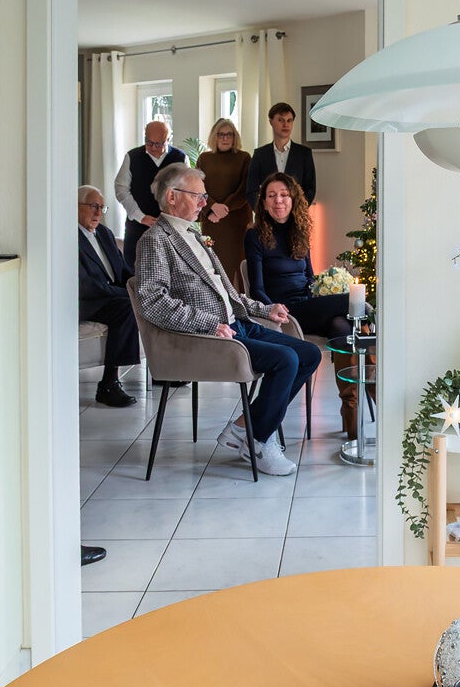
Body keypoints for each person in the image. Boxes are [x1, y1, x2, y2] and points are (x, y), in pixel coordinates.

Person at [133, 163, 321, 478]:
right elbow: (153, 302)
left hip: (237, 324)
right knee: (286, 360)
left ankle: (246, 429)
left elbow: (229, 295)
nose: (205, 202)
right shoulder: (155, 240)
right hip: (206, 337)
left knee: (309, 353)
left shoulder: (194, 235)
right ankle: (258, 440)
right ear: (172, 196)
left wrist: (265, 310)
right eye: (198, 196)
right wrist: (207, 324)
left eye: (204, 196)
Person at [244, 174, 372, 442]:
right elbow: (256, 289)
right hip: (286, 312)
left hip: (309, 304)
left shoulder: (300, 232)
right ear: (263, 202)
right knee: (354, 302)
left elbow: (310, 278)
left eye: (284, 195)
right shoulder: (254, 236)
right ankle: (373, 327)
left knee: (341, 326)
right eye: (271, 196)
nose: (278, 201)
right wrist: (272, 309)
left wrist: (323, 291)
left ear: (293, 199)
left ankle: (351, 416)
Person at [77, 184, 139, 408]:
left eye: (101, 208)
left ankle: (163, 369)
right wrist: (127, 294)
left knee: (141, 300)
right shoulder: (69, 237)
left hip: (111, 296)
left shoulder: (104, 233)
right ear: (76, 207)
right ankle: (108, 384)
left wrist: (139, 287)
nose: (97, 213)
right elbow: (87, 285)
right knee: (126, 307)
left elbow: (122, 271)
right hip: (87, 301)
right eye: (93, 206)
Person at [115, 121, 186, 273]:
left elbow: (185, 192)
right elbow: (121, 189)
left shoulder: (180, 158)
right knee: (134, 274)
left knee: (168, 273)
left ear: (168, 139)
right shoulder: (132, 157)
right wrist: (140, 216)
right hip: (137, 228)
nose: (153, 147)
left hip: (170, 229)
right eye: (149, 142)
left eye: (158, 144)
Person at [194, 117, 252, 287]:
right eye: (221, 134)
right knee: (213, 264)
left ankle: (239, 300)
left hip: (236, 223)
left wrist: (223, 209)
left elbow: (245, 189)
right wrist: (211, 208)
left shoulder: (244, 157)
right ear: (214, 136)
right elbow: (197, 187)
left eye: (229, 134)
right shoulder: (204, 158)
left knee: (237, 266)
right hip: (212, 221)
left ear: (235, 137)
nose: (225, 138)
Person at [245, 102, 316, 209]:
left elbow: (310, 189)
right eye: (280, 120)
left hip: (295, 214)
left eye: (289, 120)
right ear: (271, 122)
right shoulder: (260, 154)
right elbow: (251, 190)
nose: (285, 125)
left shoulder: (304, 154)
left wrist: (296, 211)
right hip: (267, 215)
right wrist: (264, 211)